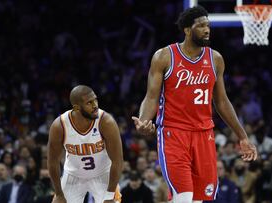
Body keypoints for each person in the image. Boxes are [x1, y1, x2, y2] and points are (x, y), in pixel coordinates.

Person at [132, 6, 257, 203]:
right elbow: (151, 97)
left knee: (199, 199)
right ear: (187, 30)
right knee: (184, 197)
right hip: (174, 133)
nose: (207, 30)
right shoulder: (164, 56)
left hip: (204, 134)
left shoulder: (215, 59)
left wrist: (243, 136)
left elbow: (222, 101)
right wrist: (144, 120)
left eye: (208, 25)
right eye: (201, 26)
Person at [47, 85, 123, 203]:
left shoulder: (106, 122)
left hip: (103, 174)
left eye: (95, 100)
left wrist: (109, 196)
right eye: (89, 103)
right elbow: (53, 162)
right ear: (77, 108)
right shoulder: (59, 126)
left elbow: (118, 161)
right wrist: (58, 193)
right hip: (73, 175)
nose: (95, 106)